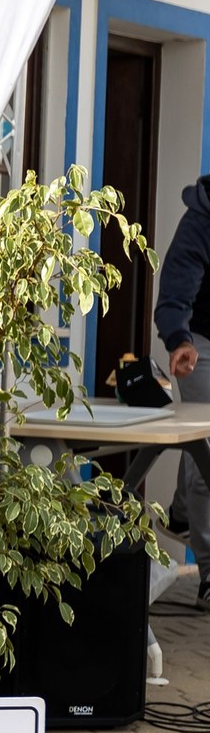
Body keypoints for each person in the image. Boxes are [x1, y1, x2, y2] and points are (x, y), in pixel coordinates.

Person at [154, 170, 210, 590]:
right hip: (202, 341)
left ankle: (180, 513)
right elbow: (176, 287)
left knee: (198, 447)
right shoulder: (202, 217)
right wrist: (179, 339)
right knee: (207, 447)